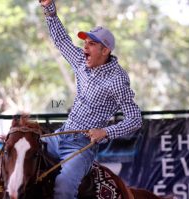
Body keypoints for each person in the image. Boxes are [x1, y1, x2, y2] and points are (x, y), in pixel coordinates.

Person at [39, 0, 143, 198]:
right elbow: (62, 41)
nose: (85, 47)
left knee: (63, 188)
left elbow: (135, 119)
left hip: (81, 146)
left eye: (91, 43)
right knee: (20, 152)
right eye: (85, 42)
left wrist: (105, 132)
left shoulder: (117, 80)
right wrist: (49, 9)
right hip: (61, 134)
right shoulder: (80, 60)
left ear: (105, 50)